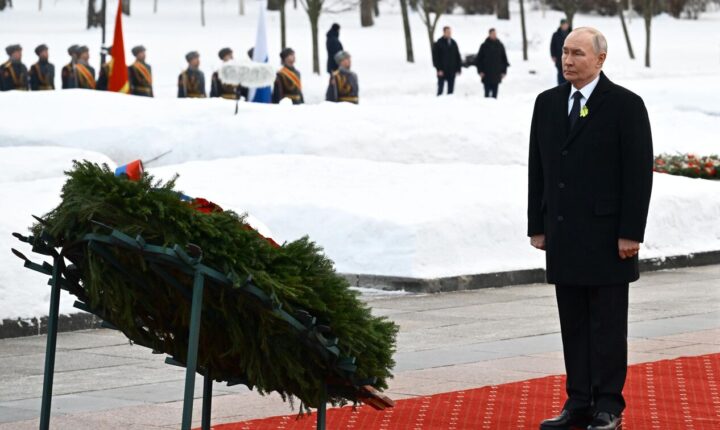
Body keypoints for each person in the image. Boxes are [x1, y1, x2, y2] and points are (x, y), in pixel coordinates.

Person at [527, 28, 653, 430]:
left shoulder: (625, 105)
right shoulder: (547, 103)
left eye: (577, 53)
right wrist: (537, 224)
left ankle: (608, 405)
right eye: (565, 52)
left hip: (607, 237)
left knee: (607, 327)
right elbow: (538, 169)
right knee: (574, 324)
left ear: (600, 59)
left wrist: (631, 231)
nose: (568, 60)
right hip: (564, 234)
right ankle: (579, 401)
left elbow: (638, 174)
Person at [475, 28, 509, 98]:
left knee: (494, 96)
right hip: (486, 74)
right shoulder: (484, 46)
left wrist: (504, 71)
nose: (494, 35)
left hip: (496, 74)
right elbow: (479, 60)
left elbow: (504, 60)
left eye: (495, 34)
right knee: (487, 95)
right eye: (493, 34)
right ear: (489, 34)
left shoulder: (500, 45)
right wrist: (480, 71)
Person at [432, 26, 462, 96]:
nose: (449, 33)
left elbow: (457, 56)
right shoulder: (439, 43)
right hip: (442, 70)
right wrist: (439, 69)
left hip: (452, 70)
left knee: (450, 91)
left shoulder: (453, 43)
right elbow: (435, 58)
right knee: (440, 90)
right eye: (447, 32)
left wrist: (458, 68)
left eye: (450, 32)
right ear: (444, 32)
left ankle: (450, 101)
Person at [551, 19, 571, 85]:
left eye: (566, 24)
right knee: (560, 73)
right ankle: (560, 87)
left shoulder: (572, 34)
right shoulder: (555, 34)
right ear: (561, 25)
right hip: (559, 58)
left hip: (570, 58)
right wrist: (553, 55)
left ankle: (568, 87)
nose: (565, 26)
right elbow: (552, 45)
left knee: (569, 73)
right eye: (563, 24)